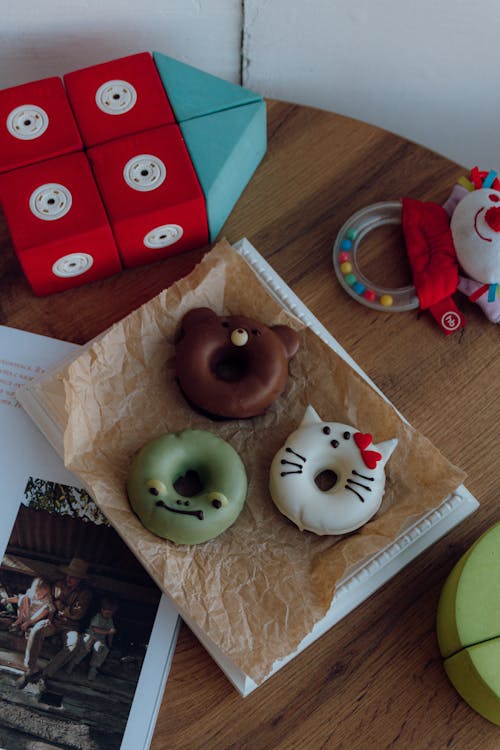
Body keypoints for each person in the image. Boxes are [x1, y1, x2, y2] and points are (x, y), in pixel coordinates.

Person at [17, 557, 92, 690]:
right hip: (53, 620)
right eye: (68, 575)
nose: (69, 578)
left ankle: (45, 675)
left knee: (73, 644)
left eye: (73, 577)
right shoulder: (58, 585)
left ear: (80, 579)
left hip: (70, 627)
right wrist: (52, 615)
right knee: (36, 630)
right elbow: (50, 603)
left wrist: (61, 606)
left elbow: (77, 614)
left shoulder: (85, 593)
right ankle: (29, 670)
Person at [67, 596, 118, 680]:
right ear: (101, 609)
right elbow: (95, 629)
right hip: (90, 636)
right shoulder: (97, 617)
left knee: (100, 648)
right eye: (105, 610)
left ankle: (93, 668)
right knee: (85, 647)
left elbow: (111, 634)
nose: (107, 614)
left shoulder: (110, 620)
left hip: (100, 639)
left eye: (110, 612)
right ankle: (73, 663)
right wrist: (108, 632)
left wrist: (109, 643)